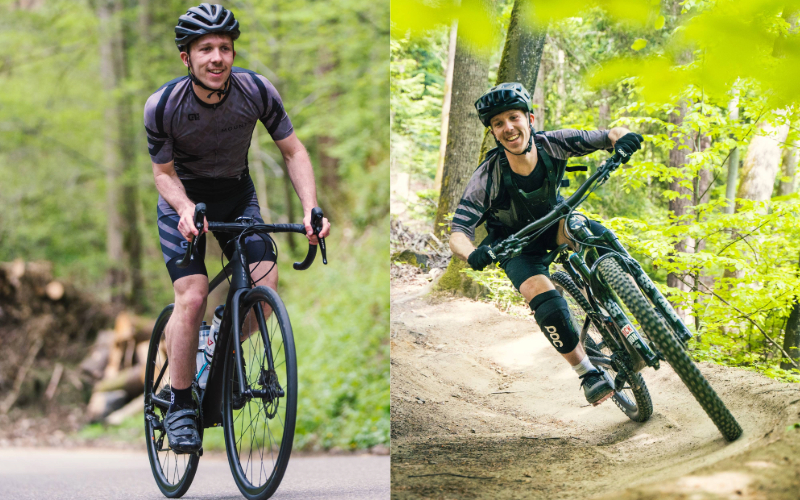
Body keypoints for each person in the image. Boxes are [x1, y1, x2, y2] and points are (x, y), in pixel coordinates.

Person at [143, 3, 330, 453]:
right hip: (182, 198)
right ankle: (182, 403)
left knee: (265, 290)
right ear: (186, 58)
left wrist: (310, 209)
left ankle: (220, 342)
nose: (216, 57)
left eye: (224, 48)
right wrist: (187, 208)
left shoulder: (256, 91)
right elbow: (163, 174)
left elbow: (293, 151)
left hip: (236, 191)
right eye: (205, 48)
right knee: (192, 295)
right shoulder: (164, 105)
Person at [449, 82, 643, 406]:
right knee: (543, 298)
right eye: (499, 123)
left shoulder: (553, 144)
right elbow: (458, 231)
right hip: (515, 246)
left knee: (588, 230)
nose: (508, 127)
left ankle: (623, 301)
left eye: (514, 118)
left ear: (530, 118)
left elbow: (607, 134)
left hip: (555, 223)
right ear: (494, 133)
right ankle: (586, 372)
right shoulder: (488, 175)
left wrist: (622, 138)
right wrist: (473, 254)